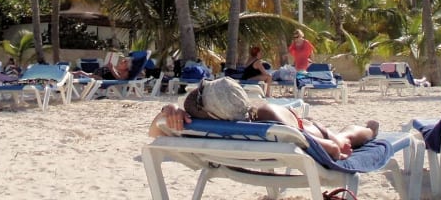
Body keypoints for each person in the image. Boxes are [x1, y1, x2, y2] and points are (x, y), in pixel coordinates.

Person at [149, 76, 378, 160]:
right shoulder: (265, 116)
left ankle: (369, 130)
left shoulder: (205, 126)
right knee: (343, 137)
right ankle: (369, 129)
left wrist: (169, 111)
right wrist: (169, 109)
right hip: (303, 130)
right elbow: (331, 149)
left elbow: (155, 133)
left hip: (304, 129)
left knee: (348, 136)